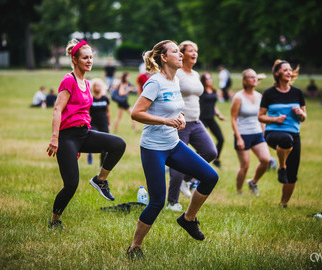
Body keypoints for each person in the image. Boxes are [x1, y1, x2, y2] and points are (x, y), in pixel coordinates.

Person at [127, 40, 219, 259]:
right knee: (157, 201)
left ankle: (188, 219)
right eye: (176, 51)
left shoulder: (175, 80)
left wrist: (178, 118)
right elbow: (136, 113)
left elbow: (174, 107)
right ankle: (135, 247)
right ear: (164, 57)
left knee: (210, 176)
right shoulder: (155, 82)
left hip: (173, 145)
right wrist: (165, 121)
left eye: (180, 50)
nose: (180, 54)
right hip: (153, 149)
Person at [46, 39, 126, 230]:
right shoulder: (69, 80)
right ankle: (55, 220)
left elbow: (83, 110)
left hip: (84, 134)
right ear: (75, 59)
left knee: (118, 144)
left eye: (91, 57)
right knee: (71, 184)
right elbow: (57, 110)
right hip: (67, 137)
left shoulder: (86, 82)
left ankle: (100, 180)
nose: (89, 61)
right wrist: (55, 138)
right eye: (85, 57)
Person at [166, 41, 217, 212]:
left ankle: (186, 179)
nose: (195, 53)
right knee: (179, 162)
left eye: (196, 50)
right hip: (181, 123)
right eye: (191, 51)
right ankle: (172, 202)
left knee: (210, 152)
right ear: (182, 54)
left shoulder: (195, 74)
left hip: (196, 121)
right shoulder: (176, 73)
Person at [258, 59, 307, 208]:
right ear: (277, 73)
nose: (289, 72)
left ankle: (283, 203)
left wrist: (300, 113)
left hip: (294, 134)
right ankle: (281, 166)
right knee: (285, 140)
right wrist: (274, 119)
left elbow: (304, 117)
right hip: (273, 132)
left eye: (290, 70)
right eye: (285, 70)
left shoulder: (297, 93)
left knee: (292, 174)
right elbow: (261, 116)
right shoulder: (269, 93)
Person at [231, 69, 270, 196]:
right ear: (244, 81)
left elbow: (262, 116)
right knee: (245, 166)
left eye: (255, 77)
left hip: (257, 133)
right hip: (242, 134)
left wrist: (263, 131)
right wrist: (238, 138)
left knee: (266, 160)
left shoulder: (260, 96)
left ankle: (253, 182)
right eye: (250, 77)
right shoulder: (238, 97)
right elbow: (233, 119)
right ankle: (239, 191)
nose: (254, 79)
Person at [200, 72, 227, 169]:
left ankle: (217, 159)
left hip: (211, 119)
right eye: (207, 79)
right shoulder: (201, 91)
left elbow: (213, 105)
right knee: (202, 144)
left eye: (210, 78)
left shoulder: (214, 91)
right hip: (202, 119)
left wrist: (219, 115)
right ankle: (198, 163)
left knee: (221, 139)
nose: (210, 80)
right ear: (203, 81)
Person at [87, 78, 111, 165]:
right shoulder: (90, 99)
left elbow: (108, 112)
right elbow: (87, 113)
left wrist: (109, 124)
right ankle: (90, 152)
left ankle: (102, 165)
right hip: (93, 124)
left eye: (100, 86)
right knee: (93, 139)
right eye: (97, 86)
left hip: (104, 123)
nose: (99, 87)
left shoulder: (105, 98)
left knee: (105, 144)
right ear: (93, 87)